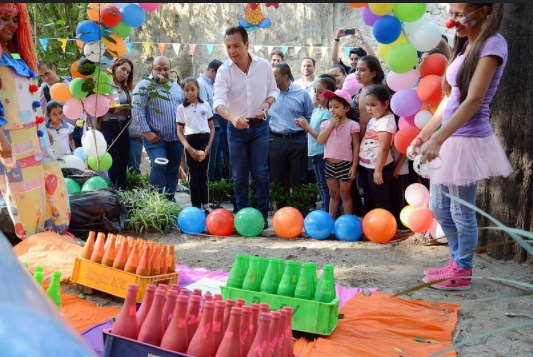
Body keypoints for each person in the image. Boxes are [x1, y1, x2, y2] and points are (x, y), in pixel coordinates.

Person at [412, 3, 511, 290]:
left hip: (467, 139)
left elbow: (473, 100)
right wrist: (427, 133)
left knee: (460, 210)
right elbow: (451, 98)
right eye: (451, 13)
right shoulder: (467, 44)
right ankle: (456, 262)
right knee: (439, 207)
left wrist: (439, 139)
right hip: (450, 137)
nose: (452, 21)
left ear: (483, 11)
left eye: (458, 14)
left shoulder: (493, 44)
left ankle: (462, 270)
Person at [0, 3, 70, 239]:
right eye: (4, 18)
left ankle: (54, 237)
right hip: (12, 138)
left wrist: (41, 129)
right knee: (25, 195)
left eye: (15, 19)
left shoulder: (16, 55)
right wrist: (2, 140)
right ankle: (36, 243)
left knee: (51, 183)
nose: (11, 24)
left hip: (35, 135)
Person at [213, 25, 279, 228]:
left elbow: (273, 91)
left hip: (260, 125)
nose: (232, 51)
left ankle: (261, 218)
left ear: (247, 45)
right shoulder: (224, 71)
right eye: (228, 47)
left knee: (260, 172)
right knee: (239, 173)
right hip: (235, 128)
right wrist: (233, 118)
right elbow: (217, 103)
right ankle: (242, 216)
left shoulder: (264, 65)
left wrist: (267, 105)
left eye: (236, 46)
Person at [132, 56, 185, 201]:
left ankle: (169, 200)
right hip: (156, 139)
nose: (162, 71)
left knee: (173, 170)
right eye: (158, 69)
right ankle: (156, 201)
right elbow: (137, 111)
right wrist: (147, 132)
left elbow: (182, 109)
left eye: (166, 69)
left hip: (175, 138)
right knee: (159, 165)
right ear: (152, 70)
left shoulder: (175, 87)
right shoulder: (144, 86)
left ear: (170, 70)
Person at [269, 63, 313, 200]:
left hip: (297, 140)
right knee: (277, 178)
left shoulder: (302, 94)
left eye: (274, 76)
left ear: (285, 76)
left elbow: (310, 116)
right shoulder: (269, 95)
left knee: (299, 177)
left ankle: (301, 209)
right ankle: (280, 211)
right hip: (275, 140)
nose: (271, 79)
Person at [316, 89, 360, 219]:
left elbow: (356, 146)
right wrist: (330, 125)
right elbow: (320, 140)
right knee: (333, 194)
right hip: (329, 164)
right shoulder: (325, 123)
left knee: (345, 194)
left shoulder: (352, 125)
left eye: (336, 107)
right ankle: (331, 221)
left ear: (346, 108)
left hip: (345, 165)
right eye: (330, 107)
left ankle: (348, 221)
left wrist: (354, 166)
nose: (332, 110)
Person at [295, 77, 336, 211]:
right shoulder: (316, 110)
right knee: (320, 183)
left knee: (325, 185)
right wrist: (304, 126)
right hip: (314, 152)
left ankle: (327, 210)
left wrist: (306, 127)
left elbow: (320, 137)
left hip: (323, 153)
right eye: (315, 91)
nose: (316, 94)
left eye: (320, 92)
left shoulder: (327, 113)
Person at [176, 77, 215, 211]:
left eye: (192, 89)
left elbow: (212, 127)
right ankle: (195, 206)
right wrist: (188, 148)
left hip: (205, 141)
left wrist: (209, 144)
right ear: (183, 91)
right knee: (193, 175)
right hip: (190, 141)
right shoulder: (181, 108)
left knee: (203, 174)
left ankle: (206, 203)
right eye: (186, 90)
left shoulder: (205, 105)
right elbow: (180, 131)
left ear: (198, 89)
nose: (190, 92)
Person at [359, 84, 397, 212]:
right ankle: (372, 227)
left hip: (378, 168)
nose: (369, 109)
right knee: (370, 198)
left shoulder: (386, 121)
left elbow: (384, 148)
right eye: (367, 105)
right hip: (368, 167)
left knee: (380, 201)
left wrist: (378, 170)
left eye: (373, 105)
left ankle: (383, 229)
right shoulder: (375, 119)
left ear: (385, 104)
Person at [98, 58, 133, 190]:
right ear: (115, 67)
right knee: (114, 163)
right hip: (108, 127)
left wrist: (123, 110)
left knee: (124, 162)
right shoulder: (105, 84)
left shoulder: (125, 88)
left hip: (123, 127)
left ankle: (122, 194)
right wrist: (118, 109)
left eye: (128, 72)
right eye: (123, 69)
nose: (125, 74)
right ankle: (109, 193)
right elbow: (102, 107)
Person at [37, 60, 83, 148]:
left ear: (53, 68)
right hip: (64, 135)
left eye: (47, 73)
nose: (45, 78)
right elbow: (42, 114)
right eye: (41, 76)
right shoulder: (43, 91)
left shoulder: (71, 82)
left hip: (82, 128)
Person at [197, 59, 224, 182]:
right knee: (210, 163)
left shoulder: (210, 85)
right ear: (212, 71)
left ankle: (216, 190)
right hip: (209, 128)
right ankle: (208, 194)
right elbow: (204, 109)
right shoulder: (201, 84)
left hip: (217, 126)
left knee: (218, 161)